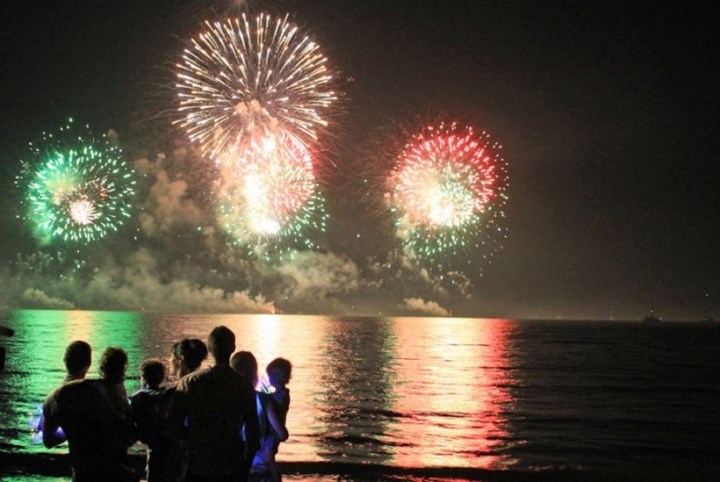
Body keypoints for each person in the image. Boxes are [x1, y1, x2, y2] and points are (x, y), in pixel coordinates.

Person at [171, 326, 260, 482]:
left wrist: (196, 435)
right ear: (233, 348)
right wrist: (245, 469)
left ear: (209, 348)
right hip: (231, 465)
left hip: (199, 464)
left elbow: (174, 425)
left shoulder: (189, 383)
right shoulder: (244, 387)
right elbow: (253, 434)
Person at [42, 346, 139, 482]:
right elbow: (129, 434)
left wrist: (71, 431)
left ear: (65, 361)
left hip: (84, 476)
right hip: (120, 474)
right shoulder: (112, 389)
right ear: (88, 364)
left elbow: (48, 441)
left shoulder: (55, 397)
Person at [230, 352, 288, 481]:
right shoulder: (263, 399)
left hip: (233, 466)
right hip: (258, 465)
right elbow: (280, 432)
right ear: (254, 375)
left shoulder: (225, 400)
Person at [165, 338, 208, 482]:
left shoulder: (176, 392)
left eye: (172, 357)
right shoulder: (206, 386)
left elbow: (172, 425)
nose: (169, 360)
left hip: (180, 459)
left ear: (180, 360)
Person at [131, 358, 172, 482]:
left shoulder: (138, 397)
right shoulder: (169, 395)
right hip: (170, 444)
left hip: (154, 444)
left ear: (143, 377)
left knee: (154, 474)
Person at [263, 358, 292, 482]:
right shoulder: (282, 393)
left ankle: (276, 478)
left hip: (274, 432)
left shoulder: (282, 395)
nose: (269, 378)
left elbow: (274, 406)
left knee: (269, 459)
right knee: (270, 458)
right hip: (274, 430)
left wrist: (265, 397)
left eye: (271, 375)